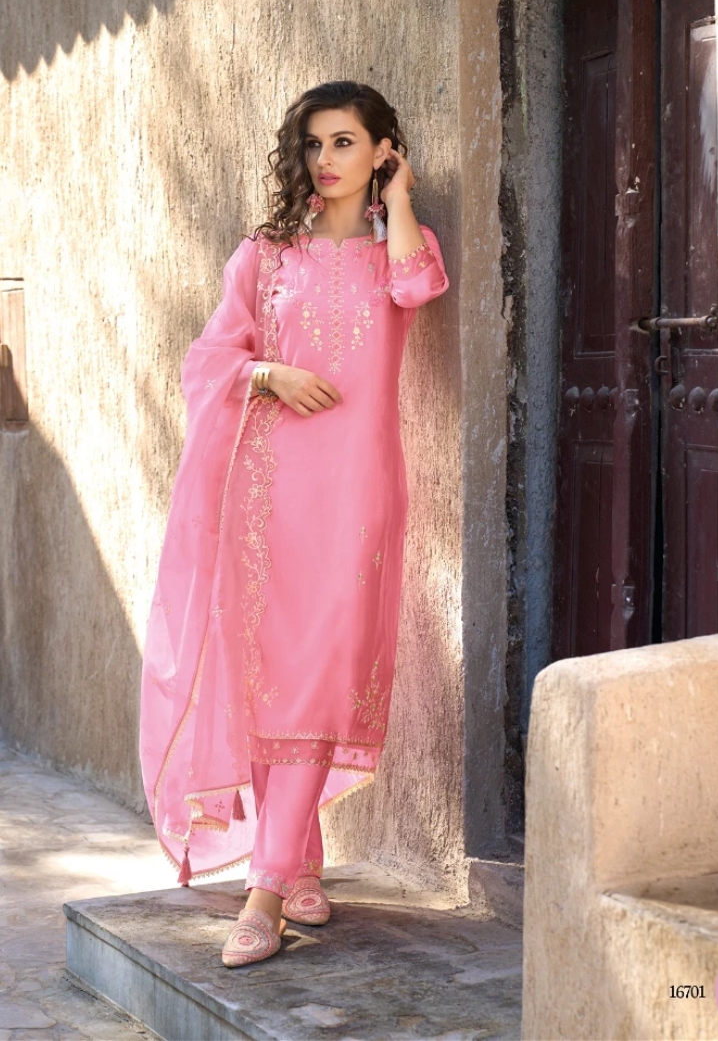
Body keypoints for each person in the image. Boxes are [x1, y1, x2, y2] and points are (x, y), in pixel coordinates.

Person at [139, 80, 450, 968]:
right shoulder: (266, 255)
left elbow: (419, 288)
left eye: (346, 142)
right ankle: (297, 861)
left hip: (358, 492)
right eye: (314, 144)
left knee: (321, 671)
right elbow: (209, 359)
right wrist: (267, 375)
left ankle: (266, 891)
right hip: (268, 490)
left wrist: (398, 197)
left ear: (381, 149)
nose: (325, 160)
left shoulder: (404, 246)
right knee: (273, 674)